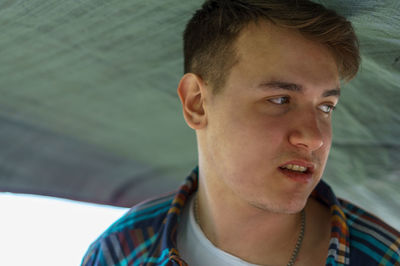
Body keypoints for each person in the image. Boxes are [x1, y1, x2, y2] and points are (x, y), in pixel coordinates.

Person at [82, 0, 400, 265]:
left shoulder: (385, 256)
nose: (314, 138)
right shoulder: (118, 252)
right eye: (279, 99)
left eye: (326, 106)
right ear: (197, 103)